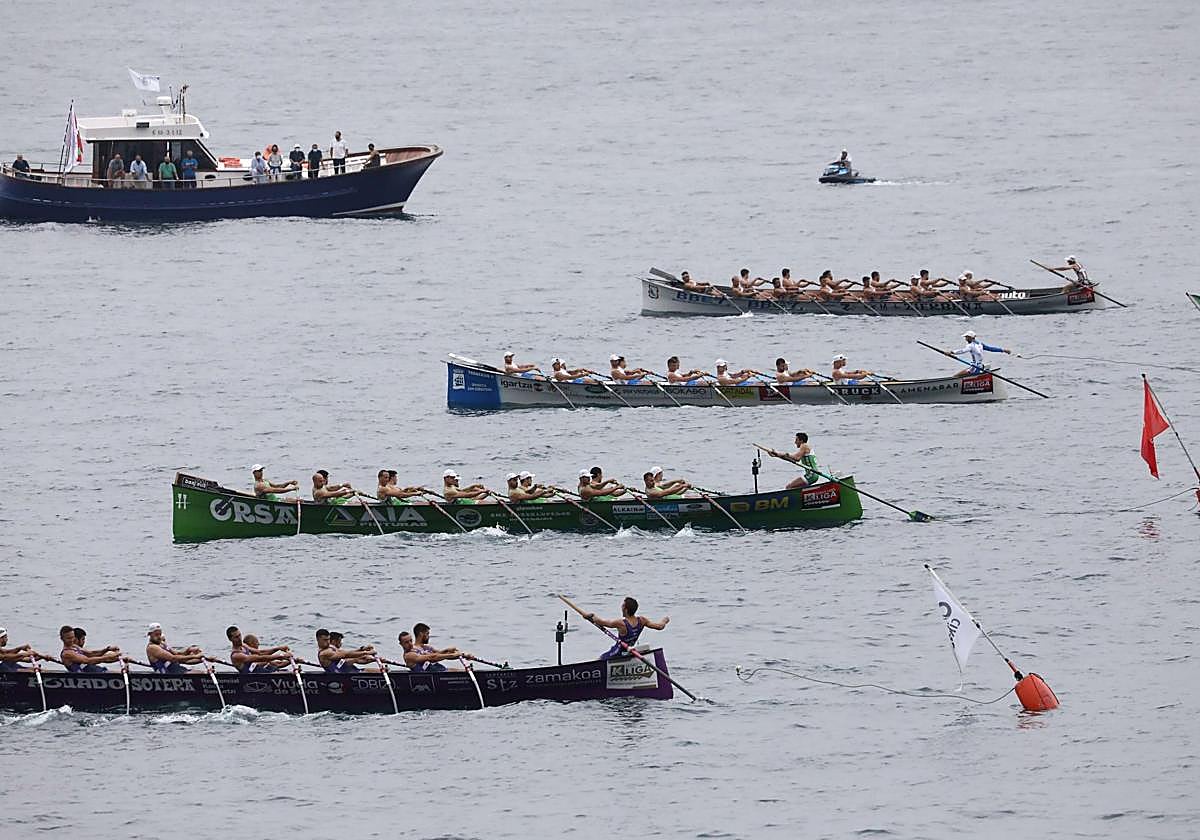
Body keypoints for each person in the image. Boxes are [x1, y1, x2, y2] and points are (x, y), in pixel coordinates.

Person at [579, 597, 669, 660]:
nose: (621, 607)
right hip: (629, 650)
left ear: (625, 609)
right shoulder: (642, 620)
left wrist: (591, 616)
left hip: (618, 651)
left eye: (622, 606)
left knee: (598, 660)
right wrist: (665, 620)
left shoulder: (621, 623)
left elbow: (602, 622)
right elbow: (660, 626)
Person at [401, 624, 468, 672]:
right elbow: (433, 657)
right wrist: (453, 654)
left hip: (439, 671)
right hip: (433, 677)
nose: (410, 644)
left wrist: (464, 655)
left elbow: (440, 655)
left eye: (410, 641)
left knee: (462, 671)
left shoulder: (424, 648)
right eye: (406, 642)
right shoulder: (409, 655)